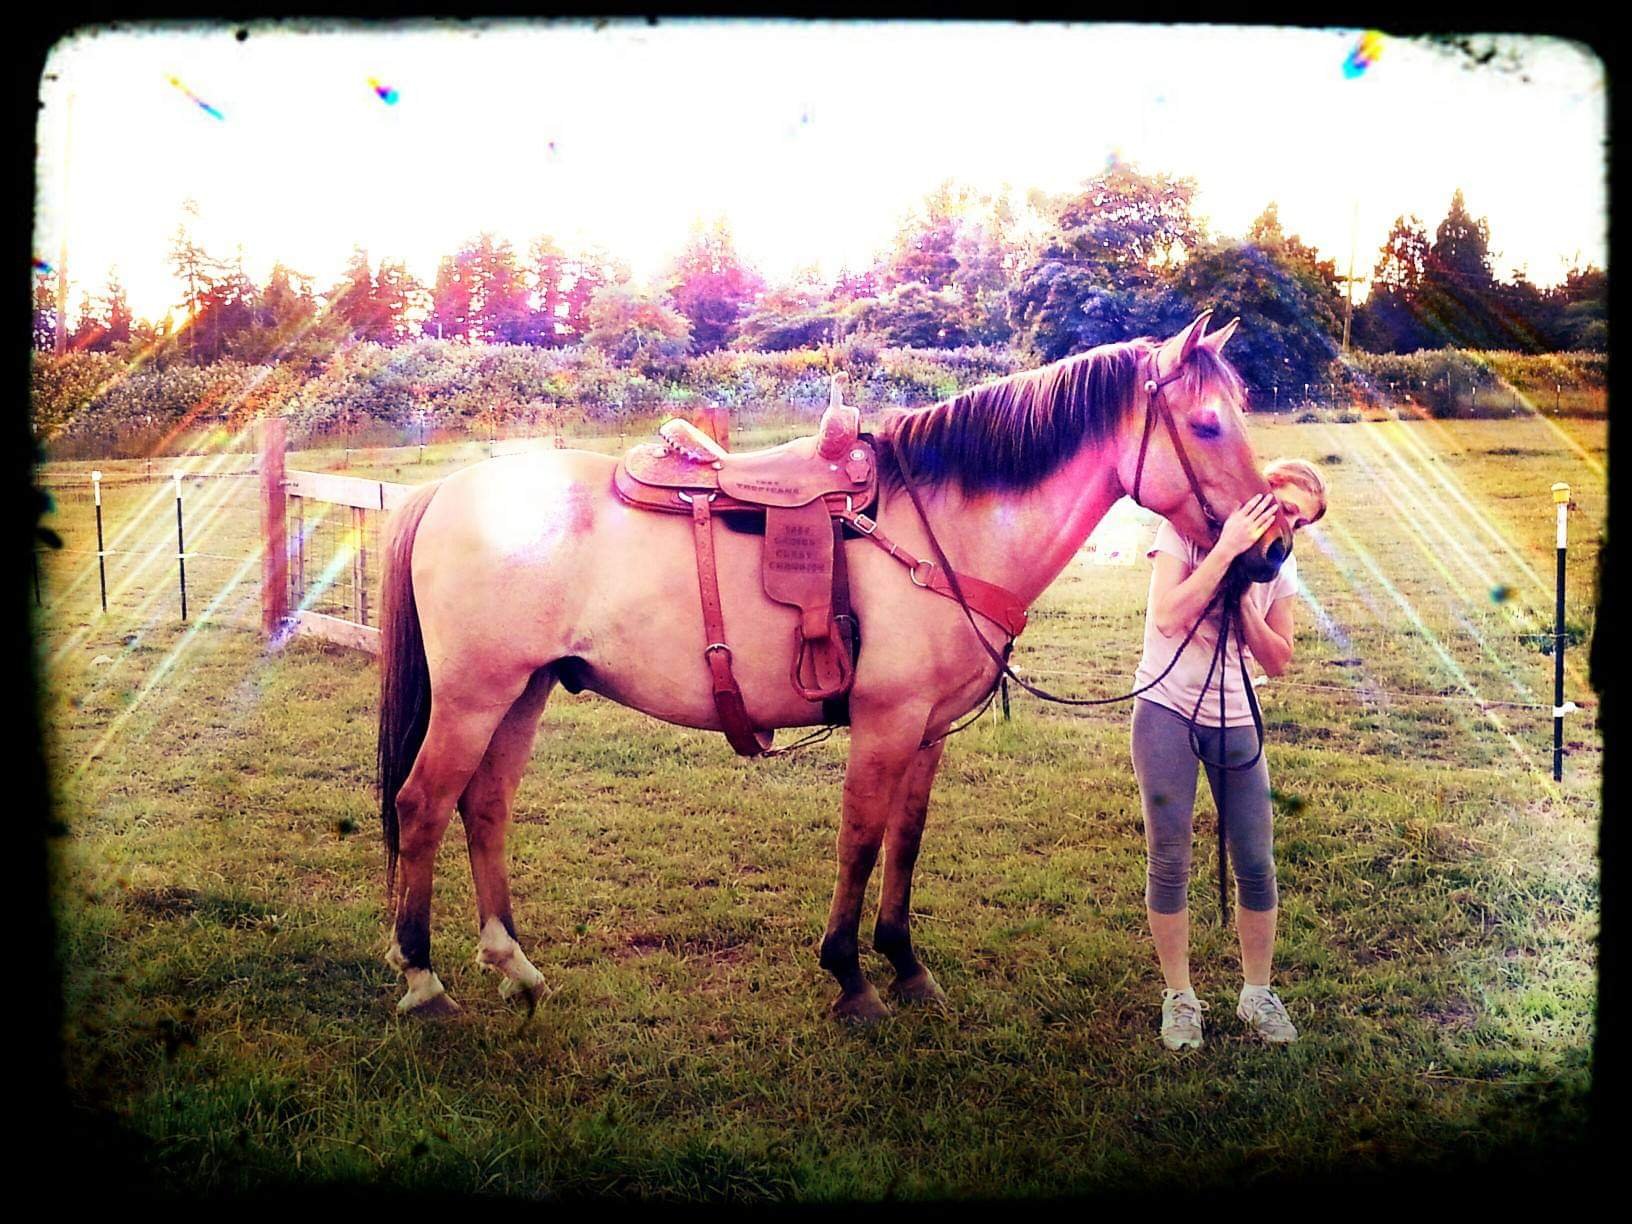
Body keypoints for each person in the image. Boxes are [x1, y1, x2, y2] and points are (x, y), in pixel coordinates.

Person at [1130, 458, 1328, 1049]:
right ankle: (1179, 996)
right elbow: (1167, 617)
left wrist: (1244, 603)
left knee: (1257, 860)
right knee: (1169, 858)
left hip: (1235, 715)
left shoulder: (1276, 564)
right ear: (1258, 489)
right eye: (1284, 506)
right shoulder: (1182, 531)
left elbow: (1278, 659)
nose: (1288, 524)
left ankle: (1257, 994)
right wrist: (1225, 552)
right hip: (1166, 707)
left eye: (1300, 521)